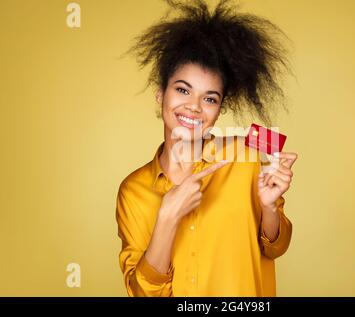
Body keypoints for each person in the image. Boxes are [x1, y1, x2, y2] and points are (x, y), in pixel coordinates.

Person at [115, 0, 298, 296]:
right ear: (160, 94)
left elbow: (276, 246)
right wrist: (167, 218)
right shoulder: (132, 190)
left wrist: (268, 207)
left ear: (220, 108)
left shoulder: (248, 152)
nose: (194, 107)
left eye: (210, 98)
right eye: (183, 90)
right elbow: (143, 292)